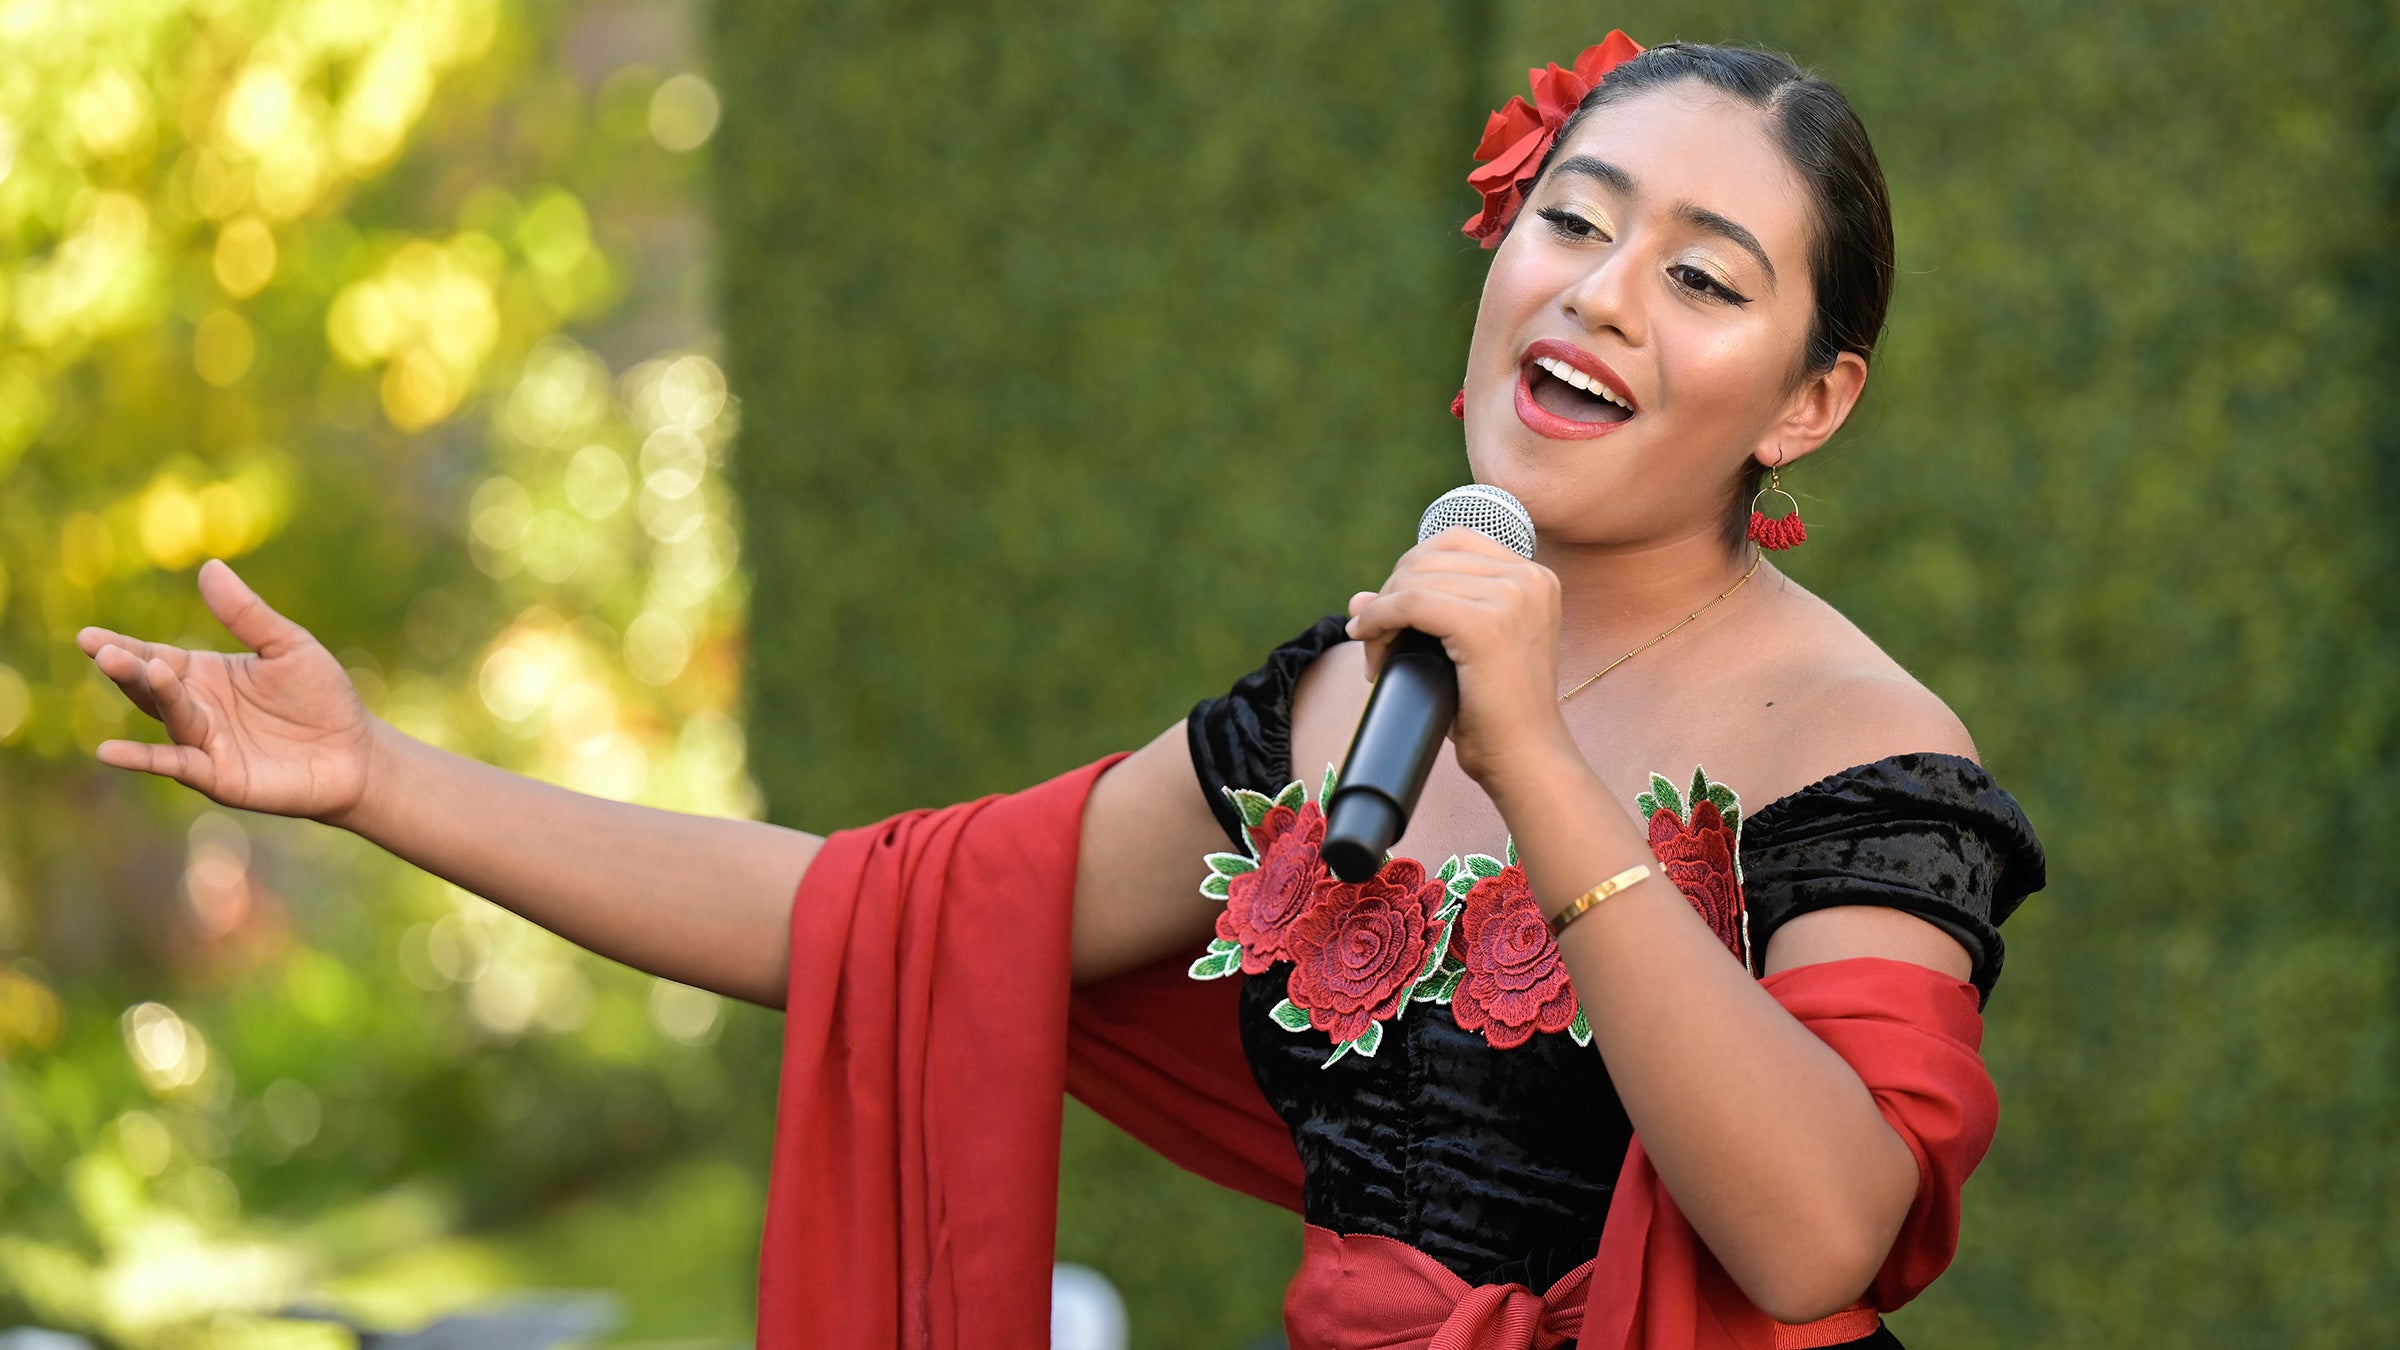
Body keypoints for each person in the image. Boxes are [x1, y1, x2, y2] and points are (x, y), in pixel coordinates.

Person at [77, 33, 2044, 1350]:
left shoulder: (1861, 758)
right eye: (1579, 220)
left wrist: (1530, 756)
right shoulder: (1351, 693)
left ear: (1809, 400)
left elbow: (1816, 1237)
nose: (1604, 291)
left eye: (1706, 277)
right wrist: (378, 780)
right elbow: (871, 911)